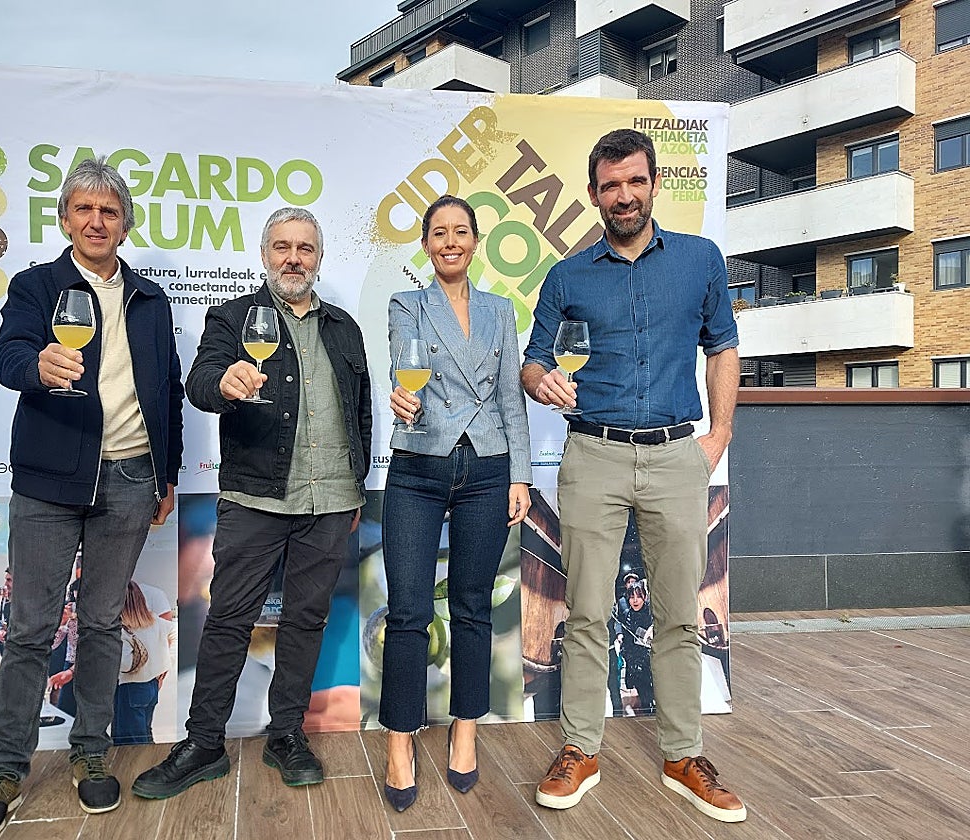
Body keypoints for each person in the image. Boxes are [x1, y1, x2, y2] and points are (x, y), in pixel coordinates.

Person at [0, 156, 185, 840]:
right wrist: (36, 368)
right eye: (83, 209)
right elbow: (8, 357)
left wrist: (165, 474)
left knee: (101, 624)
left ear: (124, 224)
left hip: (129, 479)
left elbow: (167, 390)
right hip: (49, 484)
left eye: (108, 211)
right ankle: (5, 769)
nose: (96, 220)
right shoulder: (36, 287)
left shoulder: (150, 299)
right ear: (64, 220)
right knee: (29, 628)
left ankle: (91, 754)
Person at [522, 128, 745, 822]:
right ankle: (580, 749)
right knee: (586, 612)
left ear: (654, 185)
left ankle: (684, 754)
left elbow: (724, 349)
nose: (624, 195)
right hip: (593, 455)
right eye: (610, 185)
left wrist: (718, 438)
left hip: (679, 454)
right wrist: (542, 382)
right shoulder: (567, 276)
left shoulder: (700, 260)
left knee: (680, 614)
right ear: (594, 195)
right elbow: (532, 360)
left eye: (635, 181)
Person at [131, 207, 372, 800]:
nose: (294, 258)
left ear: (319, 258)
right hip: (255, 498)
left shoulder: (344, 327)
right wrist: (227, 382)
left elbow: (361, 407)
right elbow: (201, 381)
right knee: (230, 620)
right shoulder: (234, 317)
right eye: (282, 247)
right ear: (264, 254)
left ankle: (285, 734)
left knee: (305, 619)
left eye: (305, 249)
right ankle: (204, 742)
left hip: (332, 499)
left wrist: (358, 481)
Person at [378, 195, 532, 811]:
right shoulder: (406, 304)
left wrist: (520, 474)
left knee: (471, 607)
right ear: (425, 245)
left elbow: (509, 400)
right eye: (438, 232)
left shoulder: (501, 311)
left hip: (488, 469)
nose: (450, 241)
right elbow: (402, 367)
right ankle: (399, 738)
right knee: (409, 609)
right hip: (418, 464)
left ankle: (465, 730)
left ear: (476, 241)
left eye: (460, 231)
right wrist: (401, 398)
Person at [113, 580, 175, 745]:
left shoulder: (122, 630)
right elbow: (174, 634)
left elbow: (125, 665)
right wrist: (165, 663)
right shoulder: (154, 621)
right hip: (152, 686)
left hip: (130, 688)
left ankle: (134, 770)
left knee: (129, 742)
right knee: (145, 733)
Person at [617, 582, 654, 713]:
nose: (635, 600)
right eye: (632, 597)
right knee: (645, 696)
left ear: (644, 596)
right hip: (637, 665)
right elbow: (627, 642)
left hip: (654, 661)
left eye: (638, 596)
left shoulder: (652, 612)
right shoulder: (628, 615)